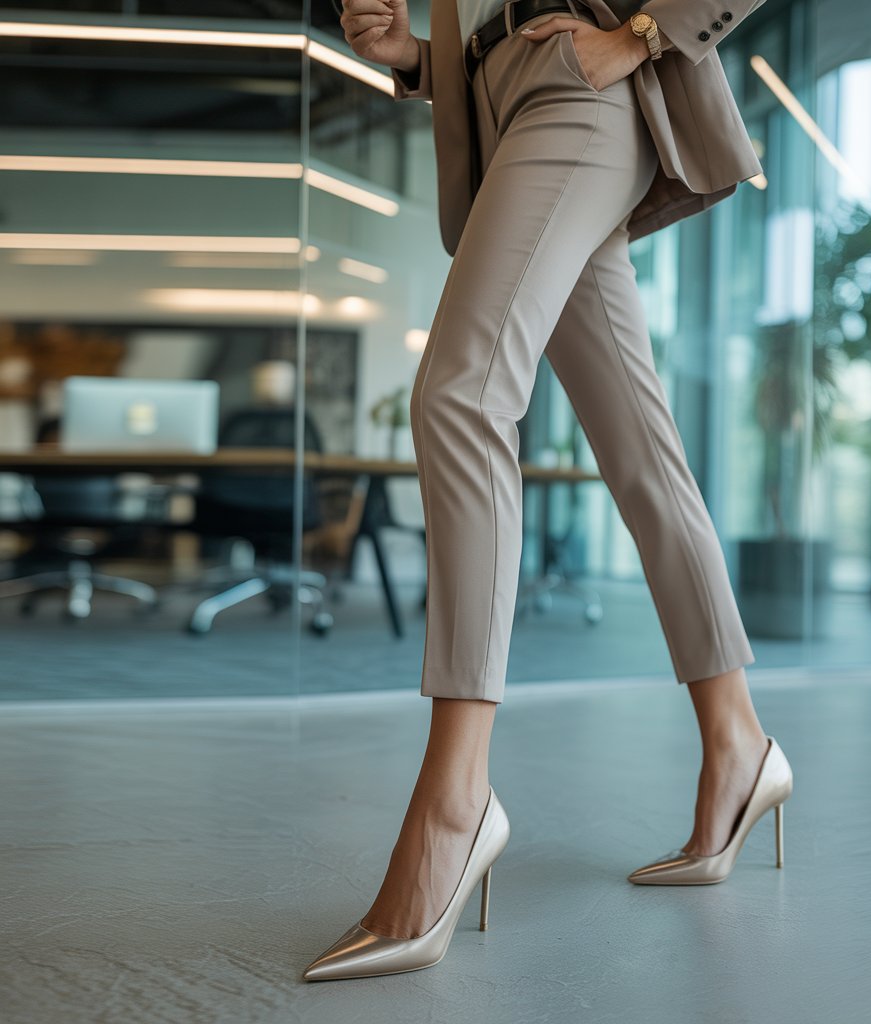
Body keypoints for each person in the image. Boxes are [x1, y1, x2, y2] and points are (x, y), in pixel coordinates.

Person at [303, 0, 794, 982]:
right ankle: (740, 744)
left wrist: (640, 35)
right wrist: (415, 57)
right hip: (502, 104)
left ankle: (456, 799)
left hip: (582, 87)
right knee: (641, 455)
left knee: (460, 394)